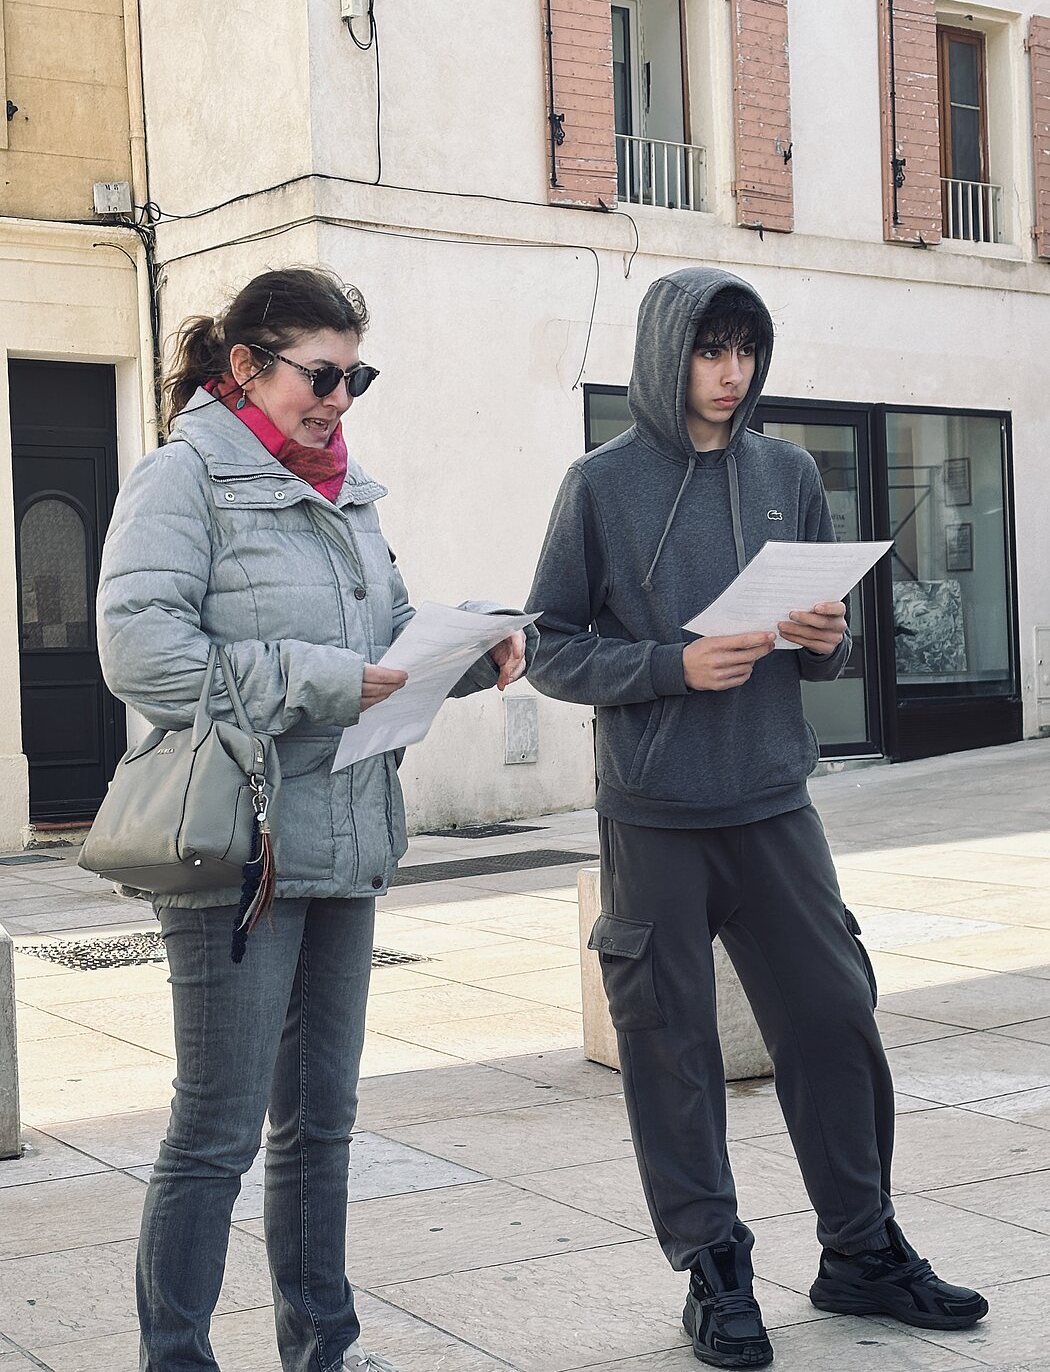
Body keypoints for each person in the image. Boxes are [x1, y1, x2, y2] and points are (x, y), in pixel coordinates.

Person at [526, 266, 987, 1369]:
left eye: (743, 350)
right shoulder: (599, 484)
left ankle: (862, 1248)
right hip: (656, 814)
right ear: (666, 353)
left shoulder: (789, 472)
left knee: (835, 1016)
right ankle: (714, 1269)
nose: (730, 373)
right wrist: (670, 664)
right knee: (671, 1048)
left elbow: (837, 646)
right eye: (709, 349)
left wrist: (828, 635)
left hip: (777, 799)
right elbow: (547, 643)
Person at [96, 267, 532, 1372]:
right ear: (245, 366)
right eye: (322, 374)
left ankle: (322, 1349)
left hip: (345, 835)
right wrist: (317, 676)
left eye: (357, 375)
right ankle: (177, 1357)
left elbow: (385, 646)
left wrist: (469, 655)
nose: (341, 398)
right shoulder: (181, 479)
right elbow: (139, 653)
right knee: (216, 1132)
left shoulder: (350, 496)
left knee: (320, 1126)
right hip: (235, 846)